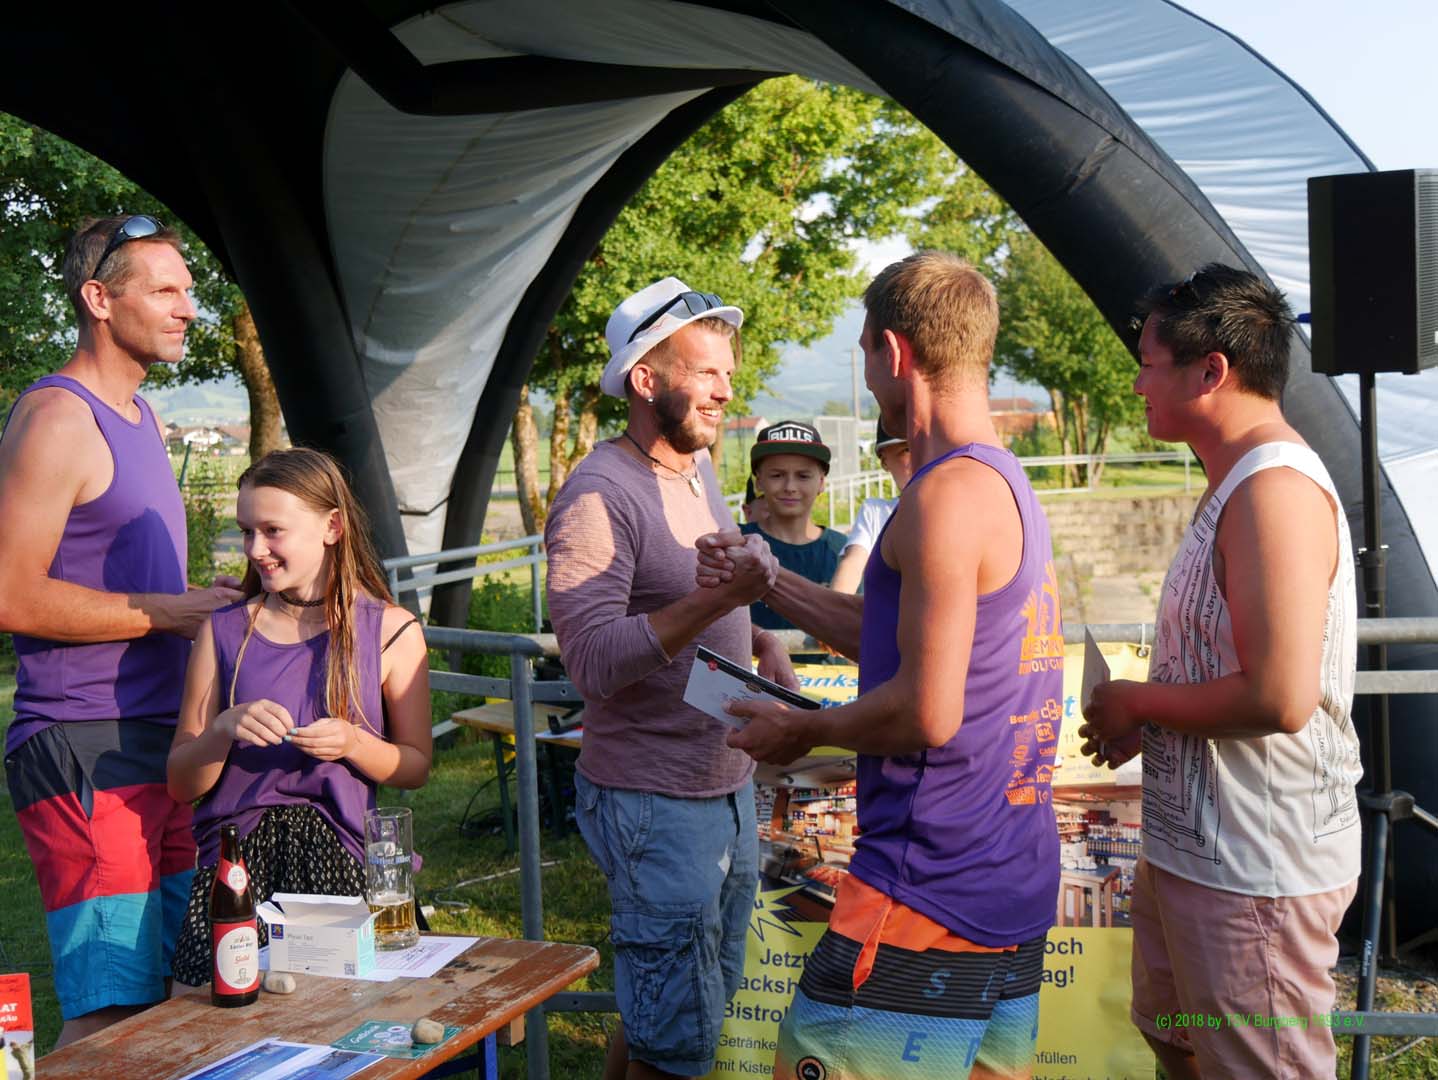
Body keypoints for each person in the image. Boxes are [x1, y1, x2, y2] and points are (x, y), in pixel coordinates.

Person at [697, 252, 1064, 1080]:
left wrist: (800, 730)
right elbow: (905, 639)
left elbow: (927, 711)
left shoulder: (943, 497)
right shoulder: (999, 480)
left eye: (863, 352)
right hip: (1007, 880)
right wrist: (770, 580)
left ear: (893, 353)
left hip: (927, 883)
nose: (866, 373)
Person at [1079, 264, 1361, 1079]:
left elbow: (1279, 697)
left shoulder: (1275, 490)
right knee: (1185, 1048)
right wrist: (1154, 719)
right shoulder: (1237, 479)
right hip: (1201, 853)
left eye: (1148, 364)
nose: (1138, 384)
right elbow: (1230, 667)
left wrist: (1139, 700)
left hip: (1255, 868)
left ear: (1211, 371)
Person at [0, 215, 245, 1045]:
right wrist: (170, 612)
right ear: (99, 299)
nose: (189, 309)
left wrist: (199, 603)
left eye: (190, 290)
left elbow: (125, 587)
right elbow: (11, 596)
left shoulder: (142, 417)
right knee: (110, 1017)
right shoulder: (56, 418)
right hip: (84, 743)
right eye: (166, 290)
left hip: (163, 743)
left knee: (177, 995)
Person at [544, 276, 794, 1080]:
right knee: (677, 1033)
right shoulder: (598, 495)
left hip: (720, 784)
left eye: (728, 372)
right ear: (645, 380)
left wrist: (758, 635)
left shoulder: (694, 468)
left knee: (672, 1008)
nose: (725, 390)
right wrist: (720, 600)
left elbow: (690, 598)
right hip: (653, 800)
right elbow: (591, 661)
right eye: (706, 372)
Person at [166, 447, 432, 986]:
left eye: (272, 531)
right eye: (246, 531)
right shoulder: (224, 632)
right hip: (237, 875)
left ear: (332, 527)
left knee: (353, 1022)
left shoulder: (390, 631)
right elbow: (179, 782)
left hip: (345, 869)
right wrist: (222, 730)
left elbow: (415, 766)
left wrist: (353, 743)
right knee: (217, 1025)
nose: (255, 549)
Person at [740, 421, 848, 628]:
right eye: (777, 475)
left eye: (803, 476)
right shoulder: (739, 544)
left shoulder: (844, 552)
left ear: (821, 483)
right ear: (759, 482)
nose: (790, 487)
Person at [829, 418, 913, 594]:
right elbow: (852, 566)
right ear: (884, 461)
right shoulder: (876, 512)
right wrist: (835, 602)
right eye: (907, 449)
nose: (921, 457)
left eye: (926, 447)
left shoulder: (959, 509)